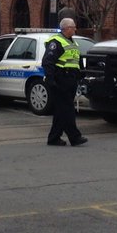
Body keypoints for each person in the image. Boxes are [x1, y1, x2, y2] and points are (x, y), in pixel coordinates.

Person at [42, 17, 87, 147]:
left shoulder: (72, 42)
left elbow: (75, 60)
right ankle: (75, 137)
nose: (75, 29)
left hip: (70, 79)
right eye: (73, 27)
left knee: (61, 110)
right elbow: (48, 62)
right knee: (67, 109)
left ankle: (54, 138)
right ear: (67, 28)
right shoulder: (56, 42)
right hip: (61, 78)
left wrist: (80, 75)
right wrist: (50, 79)